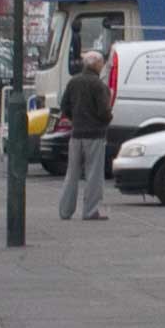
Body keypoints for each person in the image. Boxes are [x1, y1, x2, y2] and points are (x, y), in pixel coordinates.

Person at [58, 49, 116, 221]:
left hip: (76, 133)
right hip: (95, 134)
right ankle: (90, 211)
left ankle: (65, 210)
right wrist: (107, 119)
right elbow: (104, 111)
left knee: (72, 173)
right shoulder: (99, 85)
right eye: (101, 63)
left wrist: (75, 118)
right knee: (94, 174)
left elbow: (65, 106)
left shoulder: (73, 82)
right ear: (97, 65)